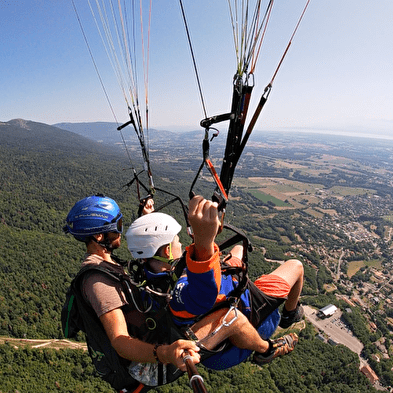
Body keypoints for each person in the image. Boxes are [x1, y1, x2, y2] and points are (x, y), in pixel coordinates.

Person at [64, 194, 299, 391]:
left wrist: (147, 221)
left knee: (237, 250)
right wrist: (165, 352)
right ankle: (267, 349)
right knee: (232, 317)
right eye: (117, 225)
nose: (121, 229)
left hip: (158, 332)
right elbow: (119, 341)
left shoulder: (106, 262)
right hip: (149, 361)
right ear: (99, 236)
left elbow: (146, 256)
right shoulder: (97, 282)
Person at [126, 195, 304, 368]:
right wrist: (205, 241)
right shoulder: (184, 295)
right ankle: (288, 317)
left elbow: (153, 251)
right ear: (167, 252)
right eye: (178, 240)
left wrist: (147, 220)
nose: (181, 243)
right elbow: (205, 292)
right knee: (296, 266)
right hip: (245, 310)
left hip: (225, 292)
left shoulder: (150, 275)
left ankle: (286, 312)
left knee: (239, 248)